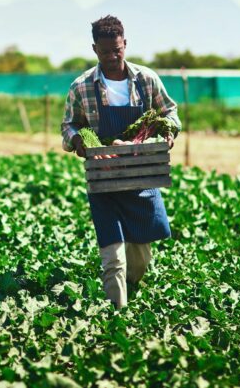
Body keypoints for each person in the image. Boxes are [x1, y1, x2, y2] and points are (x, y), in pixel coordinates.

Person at [61, 15, 181, 309]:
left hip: (141, 176)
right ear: (94, 49)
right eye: (105, 52)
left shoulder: (146, 79)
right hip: (104, 179)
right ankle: (117, 313)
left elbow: (170, 113)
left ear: (125, 44)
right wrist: (77, 140)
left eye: (117, 50)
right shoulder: (82, 86)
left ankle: (132, 290)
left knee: (140, 260)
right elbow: (69, 125)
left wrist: (167, 133)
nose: (113, 57)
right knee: (113, 258)